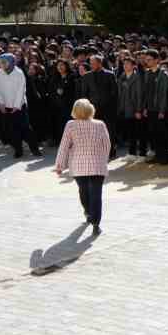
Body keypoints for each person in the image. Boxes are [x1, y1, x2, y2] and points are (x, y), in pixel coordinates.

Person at [54, 98, 111, 236]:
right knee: (96, 195)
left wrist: (60, 165)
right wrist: (103, 160)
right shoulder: (100, 124)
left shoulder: (70, 125)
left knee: (83, 191)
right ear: (90, 109)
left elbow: (64, 146)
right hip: (97, 166)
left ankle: (88, 212)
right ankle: (96, 223)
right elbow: (107, 145)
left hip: (78, 166)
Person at [0, 54, 39, 158]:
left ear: (11, 62)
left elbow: (21, 90)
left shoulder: (19, 73)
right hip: (6, 106)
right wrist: (1, 103)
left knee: (26, 128)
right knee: (13, 130)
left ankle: (34, 149)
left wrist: (16, 106)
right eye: (0, 62)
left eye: (4, 62)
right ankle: (18, 150)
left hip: (19, 106)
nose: (2, 64)